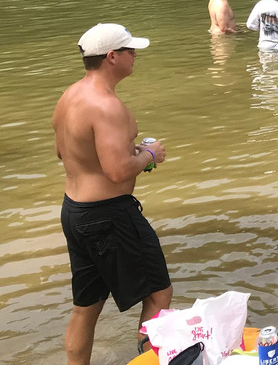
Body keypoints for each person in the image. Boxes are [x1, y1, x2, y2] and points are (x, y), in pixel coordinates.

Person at [52, 23, 172, 364]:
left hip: (75, 212)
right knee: (159, 293)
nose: (135, 56)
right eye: (131, 51)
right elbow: (117, 171)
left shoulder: (69, 96)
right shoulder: (108, 106)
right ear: (111, 57)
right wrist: (150, 155)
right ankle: (148, 360)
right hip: (109, 215)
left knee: (85, 308)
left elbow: (65, 152)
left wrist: (126, 148)